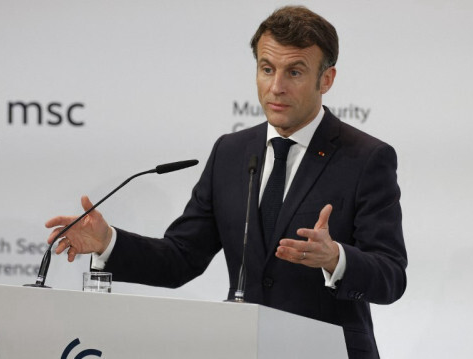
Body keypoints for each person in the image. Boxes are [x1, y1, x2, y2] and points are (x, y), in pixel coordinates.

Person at [46, 6, 407, 359]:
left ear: (325, 79)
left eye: (294, 72)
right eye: (267, 69)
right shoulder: (231, 152)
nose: (276, 87)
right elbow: (181, 257)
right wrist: (109, 242)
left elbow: (391, 276)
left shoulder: (366, 158)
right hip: (243, 348)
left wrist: (336, 259)